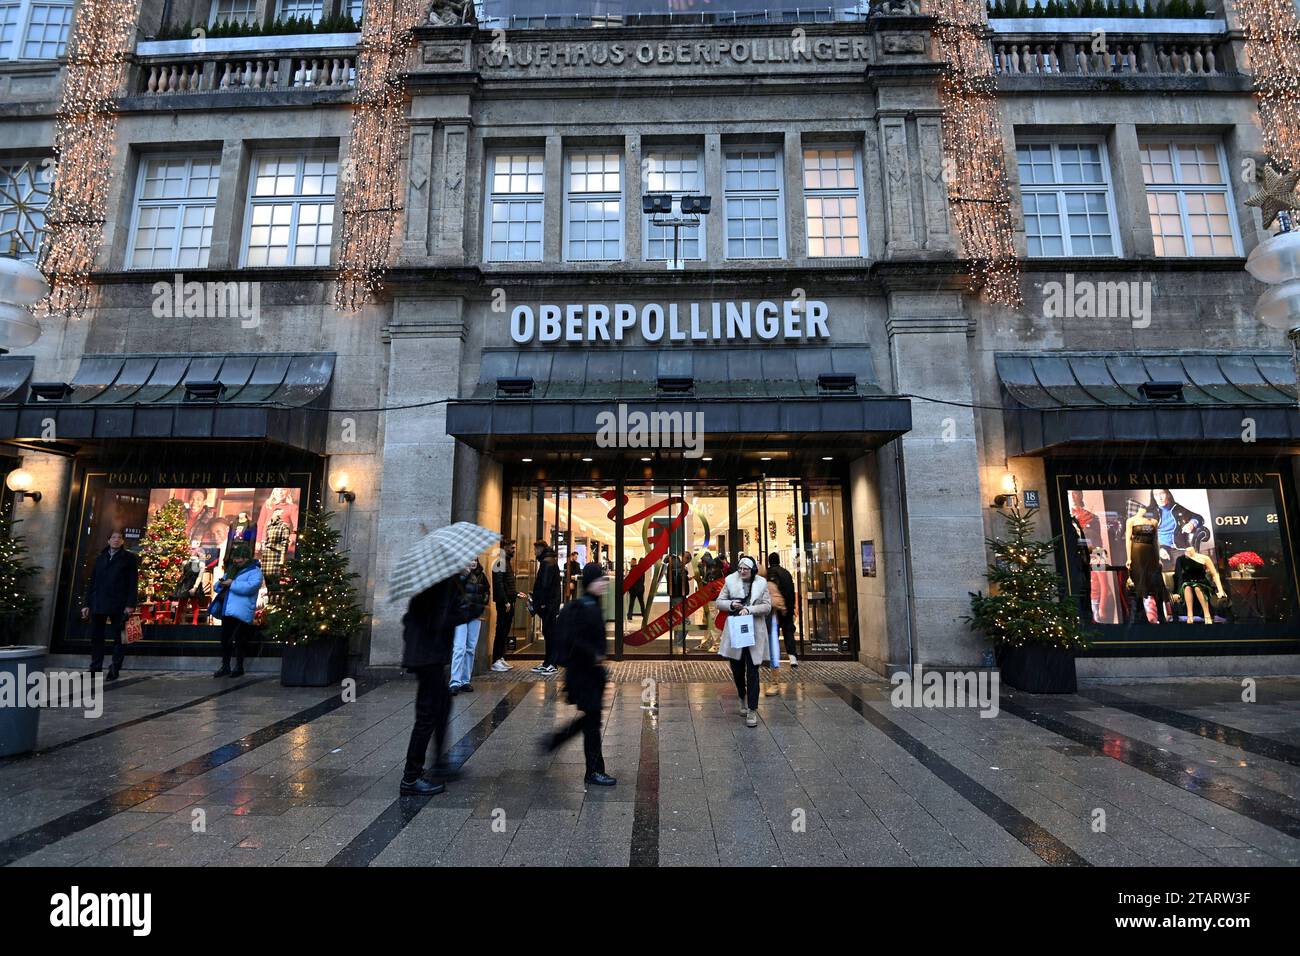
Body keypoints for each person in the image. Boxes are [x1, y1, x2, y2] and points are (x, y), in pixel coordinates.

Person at [542, 562, 615, 787]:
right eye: (600, 580)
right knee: (592, 722)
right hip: (585, 675)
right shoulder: (585, 608)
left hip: (588, 675)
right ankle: (593, 771)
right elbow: (575, 641)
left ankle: (558, 740)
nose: (604, 584)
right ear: (590, 583)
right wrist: (594, 654)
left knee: (591, 719)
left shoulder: (591, 604)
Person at [400, 576, 470, 796]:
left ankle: (439, 763)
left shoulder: (434, 579)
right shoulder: (437, 582)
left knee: (441, 707)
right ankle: (410, 778)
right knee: (427, 715)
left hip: (427, 656)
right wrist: (467, 611)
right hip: (427, 656)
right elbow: (438, 620)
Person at [714, 555, 771, 728]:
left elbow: (767, 606)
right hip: (736, 632)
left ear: (753, 569)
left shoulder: (762, 583)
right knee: (737, 670)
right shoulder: (730, 581)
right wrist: (732, 605)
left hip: (754, 633)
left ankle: (752, 709)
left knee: (753, 671)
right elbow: (719, 602)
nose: (742, 571)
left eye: (745, 569)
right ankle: (741, 697)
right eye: (740, 569)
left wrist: (750, 609)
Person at [80, 529, 139, 681]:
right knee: (96, 637)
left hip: (118, 603)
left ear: (123, 541)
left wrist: (130, 604)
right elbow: (92, 582)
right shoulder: (100, 558)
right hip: (98, 602)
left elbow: (133, 583)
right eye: (113, 537)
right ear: (108, 540)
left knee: (119, 637)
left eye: (119, 538)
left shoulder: (129, 559)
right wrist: (87, 604)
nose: (116, 540)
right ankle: (95, 667)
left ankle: (115, 668)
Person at [211, 542, 263, 677]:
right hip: (228, 610)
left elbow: (251, 587)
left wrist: (232, 583)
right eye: (235, 558)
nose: (236, 560)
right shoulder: (232, 570)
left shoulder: (255, 571)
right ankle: (225, 666)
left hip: (242, 612)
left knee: (240, 640)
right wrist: (222, 582)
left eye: (239, 558)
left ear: (246, 558)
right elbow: (217, 587)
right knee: (225, 640)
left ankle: (239, 667)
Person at [449, 557, 489, 694]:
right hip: (460, 616)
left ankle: (465, 680)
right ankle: (454, 682)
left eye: (475, 560)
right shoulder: (458, 575)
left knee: (470, 648)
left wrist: (482, 606)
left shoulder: (482, 576)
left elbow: (486, 593)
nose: (473, 562)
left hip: (475, 616)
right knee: (459, 647)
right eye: (470, 559)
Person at [1125, 511, 1170, 623]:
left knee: (1156, 582)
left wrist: (1158, 558)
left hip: (1151, 553)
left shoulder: (1153, 522)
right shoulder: (1131, 521)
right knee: (1140, 582)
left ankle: (1161, 615)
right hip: (1137, 553)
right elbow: (1128, 540)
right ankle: (1140, 616)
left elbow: (1156, 541)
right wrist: (1129, 558)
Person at [530, 539, 562, 674]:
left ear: (540, 549)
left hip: (548, 604)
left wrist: (540, 602)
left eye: (535, 549)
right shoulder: (549, 560)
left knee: (550, 633)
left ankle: (552, 663)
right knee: (548, 633)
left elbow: (544, 585)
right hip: (549, 603)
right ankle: (547, 662)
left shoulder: (547, 562)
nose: (534, 552)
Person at [1173, 545, 1226, 624]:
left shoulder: (1204, 558)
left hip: (1202, 583)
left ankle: (1207, 614)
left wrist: (1220, 590)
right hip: (1188, 582)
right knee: (1187, 587)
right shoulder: (1181, 559)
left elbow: (1215, 574)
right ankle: (1189, 615)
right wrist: (1176, 592)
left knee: (1197, 587)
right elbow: (1178, 576)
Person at [490, 538, 521, 671]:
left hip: (508, 601)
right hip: (504, 603)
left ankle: (500, 657)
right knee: (501, 630)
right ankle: (496, 659)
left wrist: (515, 594)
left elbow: (506, 583)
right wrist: (506, 601)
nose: (514, 550)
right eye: (512, 548)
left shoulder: (505, 561)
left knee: (504, 630)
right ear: (505, 547)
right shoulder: (500, 562)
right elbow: (498, 584)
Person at [765, 552, 798, 666]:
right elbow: (791, 591)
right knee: (788, 632)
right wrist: (791, 607)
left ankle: (773, 657)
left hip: (772, 608)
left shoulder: (767, 574)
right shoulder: (786, 573)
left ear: (769, 561)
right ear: (779, 560)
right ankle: (792, 658)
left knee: (772, 633)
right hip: (786, 608)